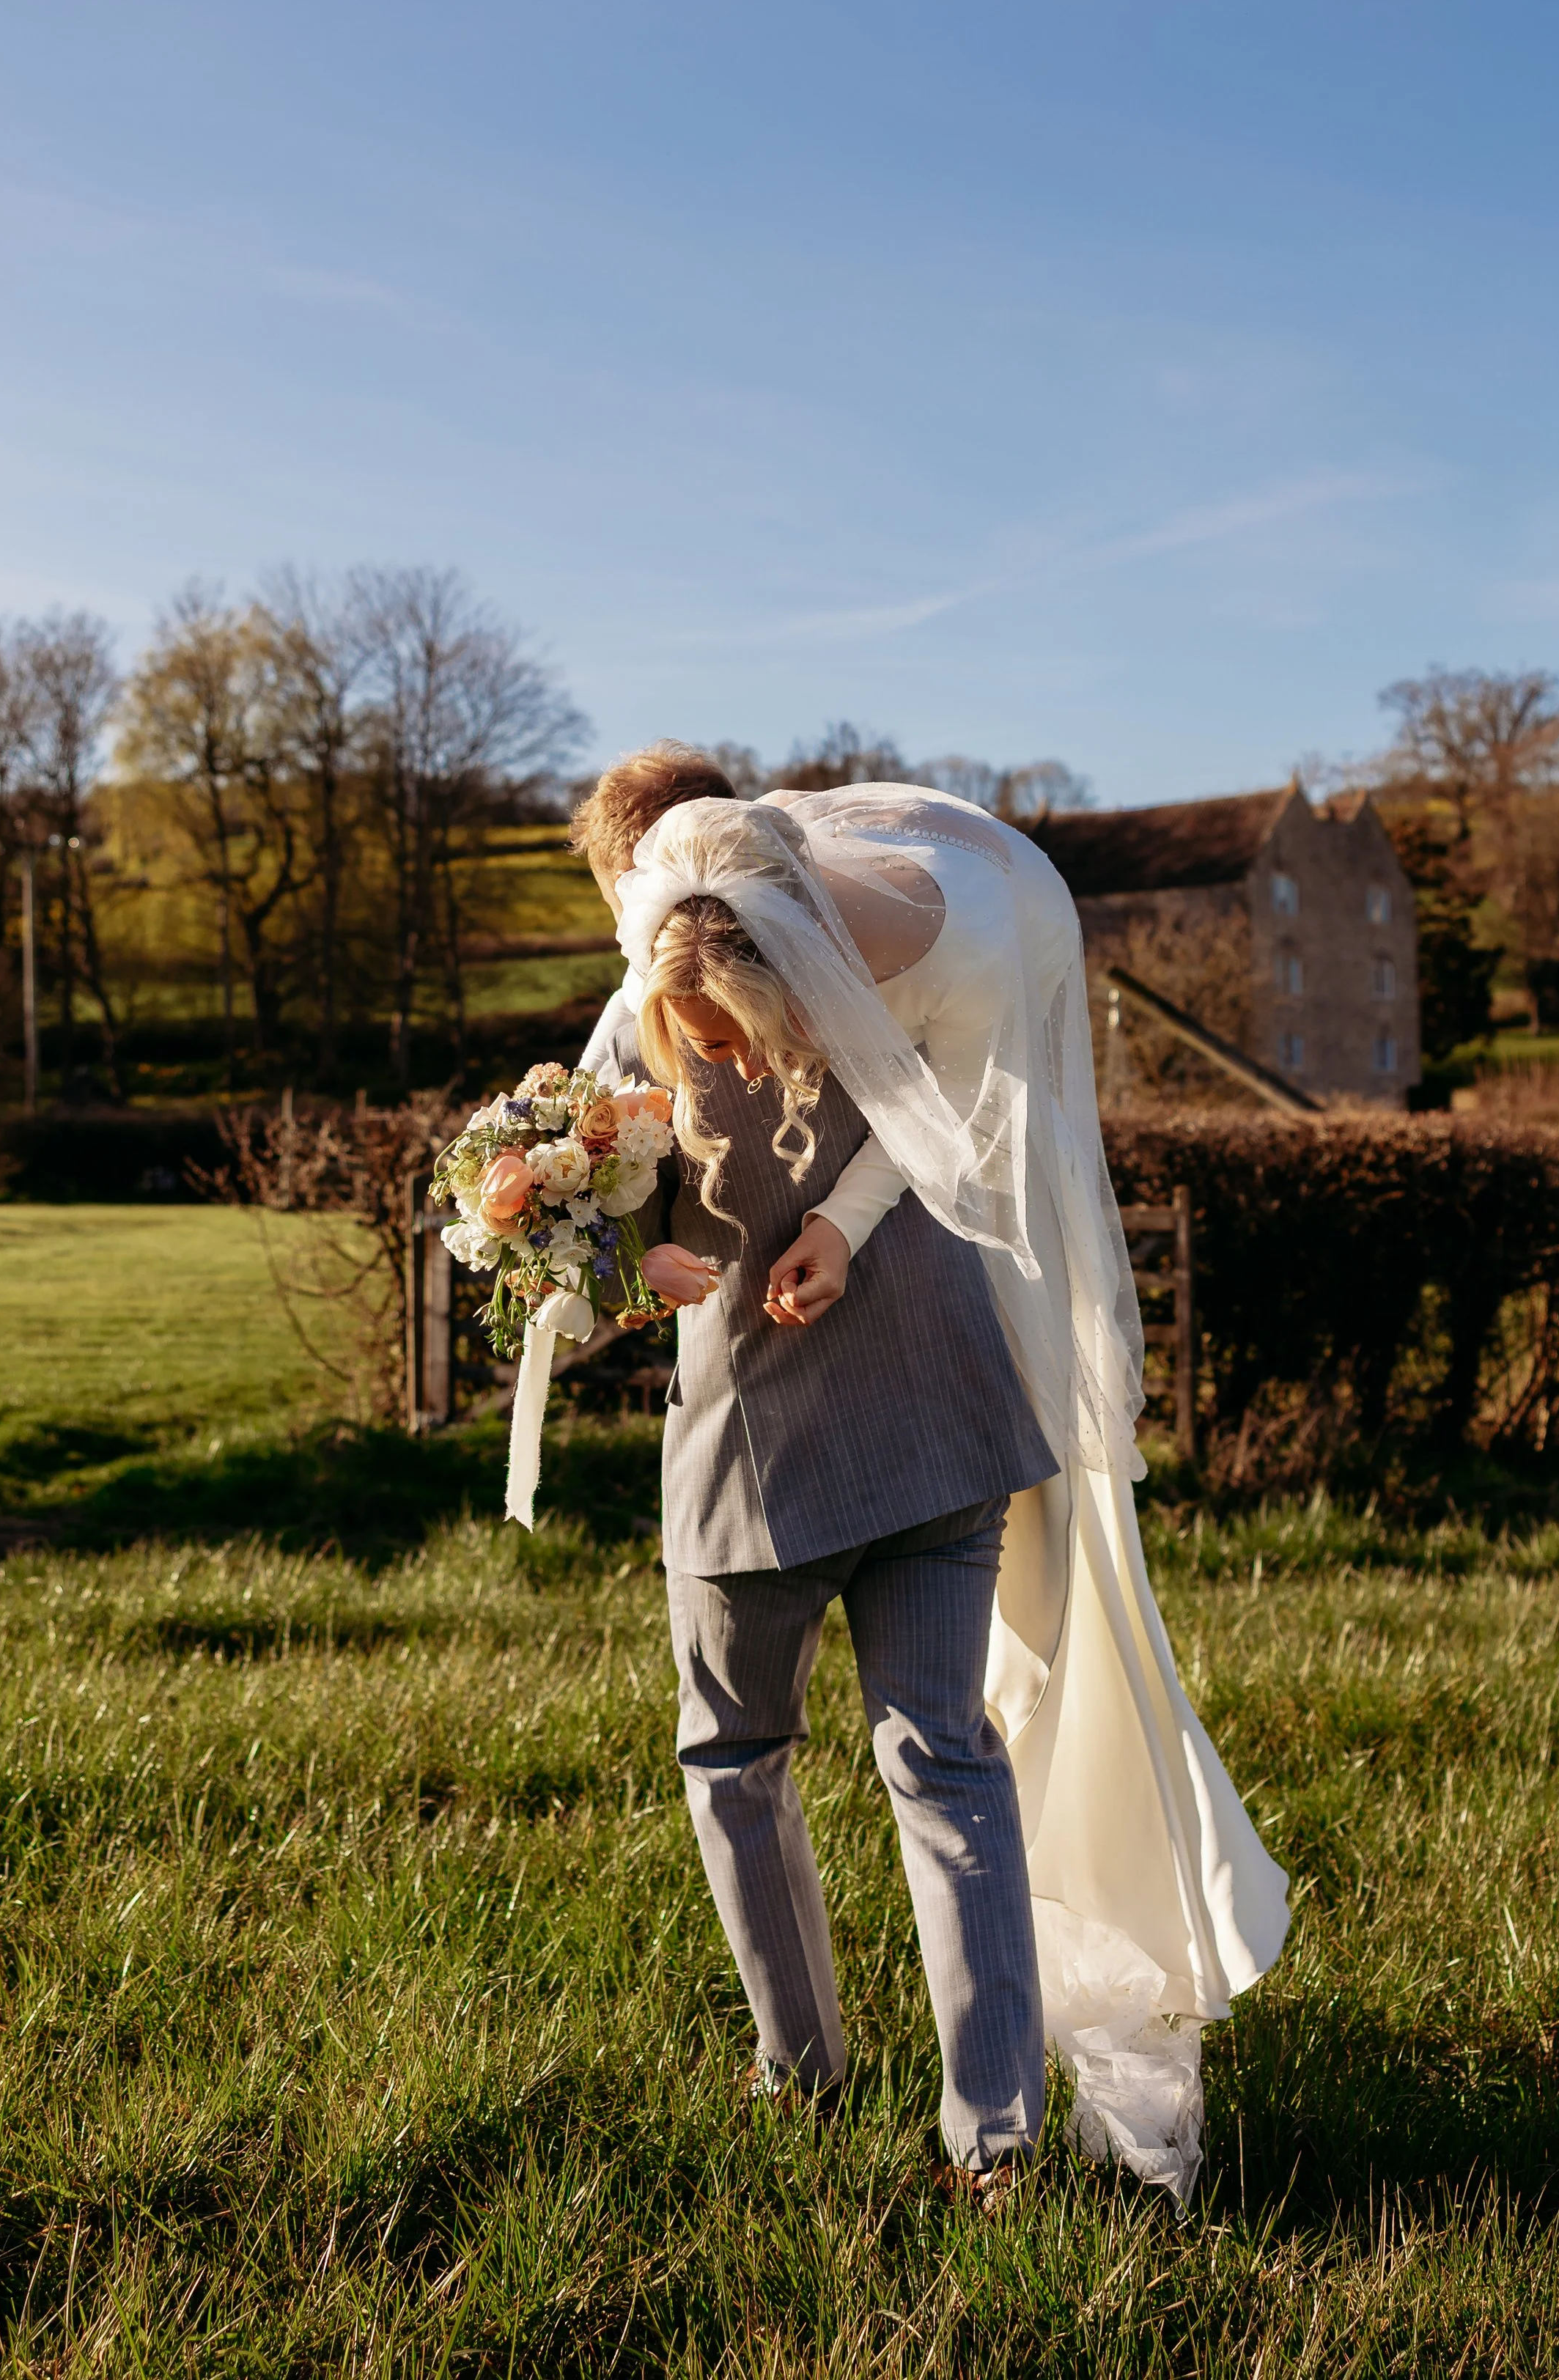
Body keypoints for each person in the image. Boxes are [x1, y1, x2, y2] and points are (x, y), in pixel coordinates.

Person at [553, 748, 1289, 2197]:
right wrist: (657, 1260)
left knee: (792, 1758)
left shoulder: (718, 1004)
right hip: (863, 1431)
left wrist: (712, 1250)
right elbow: (577, 1263)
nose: (734, 1056)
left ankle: (880, 2098)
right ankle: (914, 2107)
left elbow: (574, 1232)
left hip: (840, 1445)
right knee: (896, 1765)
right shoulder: (804, 978)